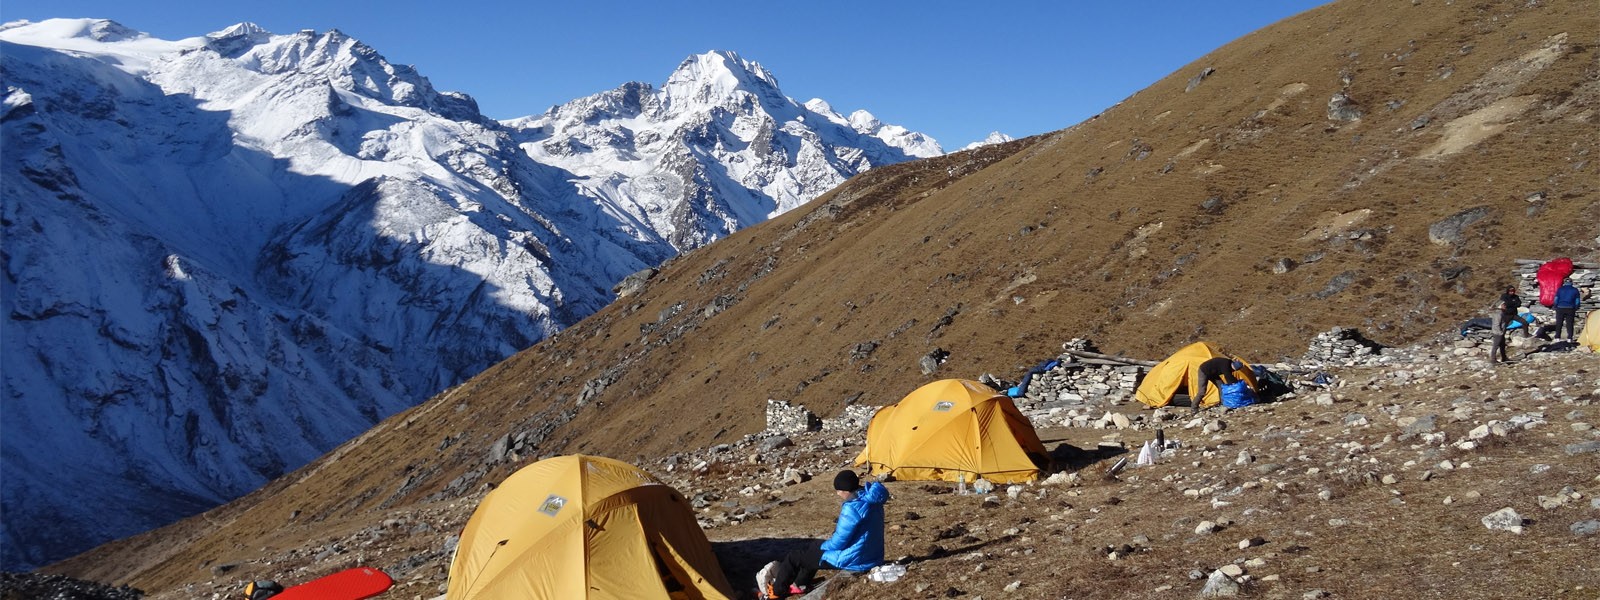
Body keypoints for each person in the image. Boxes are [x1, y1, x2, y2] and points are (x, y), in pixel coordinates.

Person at [761, 470, 889, 599]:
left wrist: (824, 546)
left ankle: (776, 593)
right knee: (813, 548)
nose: (837, 493)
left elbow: (839, 542)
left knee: (794, 557)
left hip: (855, 559)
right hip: (871, 554)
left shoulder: (853, 507)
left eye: (838, 490)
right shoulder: (871, 499)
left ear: (845, 490)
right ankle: (799, 584)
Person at [1490, 285, 1521, 363]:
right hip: (1498, 332)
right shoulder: (1498, 313)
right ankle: (1493, 359)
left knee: (1502, 345)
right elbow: (1496, 324)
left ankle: (1504, 357)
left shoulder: (1503, 313)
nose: (1505, 306)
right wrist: (1500, 333)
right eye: (1504, 305)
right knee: (1496, 345)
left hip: (1501, 331)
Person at [1552, 277, 1585, 342]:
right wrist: (1576, 307)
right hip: (1570, 308)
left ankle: (1557, 337)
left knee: (1559, 323)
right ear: (1571, 282)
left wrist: (1555, 306)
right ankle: (1569, 338)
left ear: (1564, 282)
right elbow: (1577, 300)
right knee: (1569, 323)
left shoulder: (1560, 289)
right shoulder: (1575, 290)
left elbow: (1556, 299)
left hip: (1560, 307)